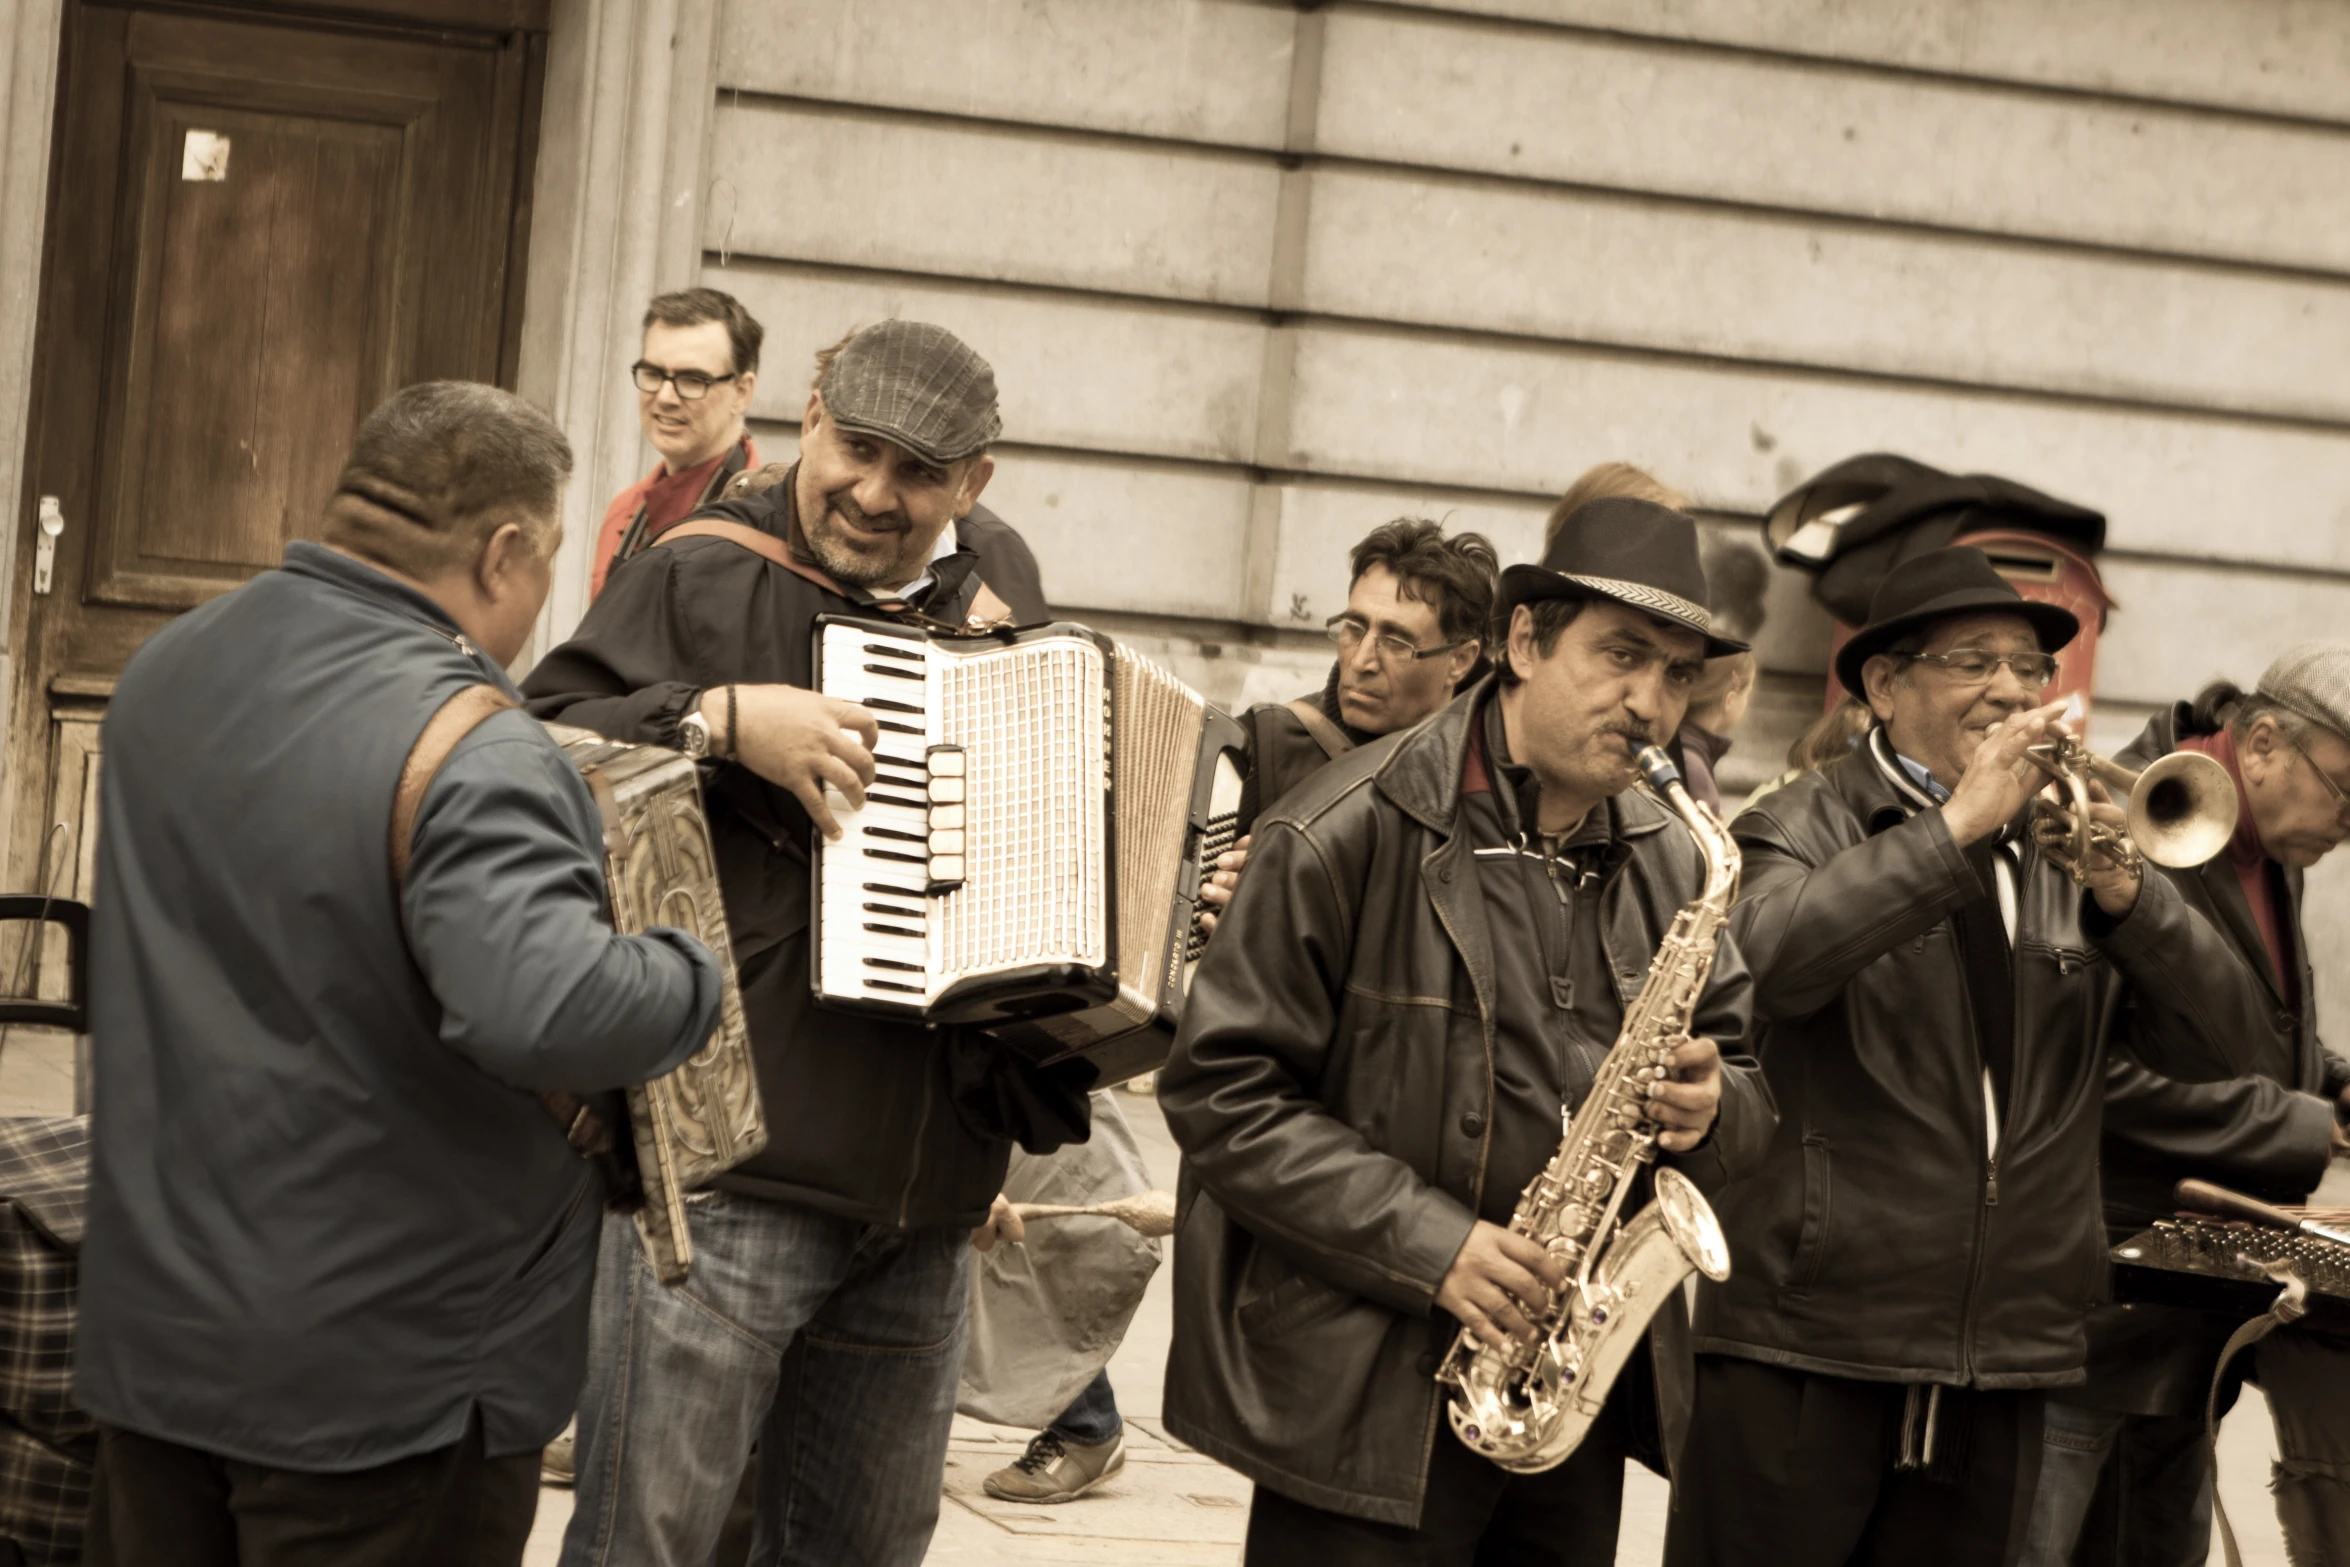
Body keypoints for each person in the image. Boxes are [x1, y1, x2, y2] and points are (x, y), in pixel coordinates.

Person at [73, 382, 725, 1567]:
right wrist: (688, 971)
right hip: (390, 1388)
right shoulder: (476, 741)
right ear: (505, 550)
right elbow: (549, 1009)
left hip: (156, 1344)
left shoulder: (166, 670)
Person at [525, 319, 1092, 1567]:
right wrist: (719, 719)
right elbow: (534, 749)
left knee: (863, 1550)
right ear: (810, 415)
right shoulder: (700, 567)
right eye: (857, 449)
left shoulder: (1000, 593)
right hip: (731, 1181)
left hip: (928, 1199)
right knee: (645, 1545)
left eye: (921, 473)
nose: (876, 495)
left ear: (974, 484)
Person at [1161, 498, 1777, 1563]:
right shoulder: (1336, 828)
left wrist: (1718, 1103)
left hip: (1561, 1401)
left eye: (1678, 674)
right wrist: (1432, 1245)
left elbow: (1750, 1075)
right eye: (1622, 655)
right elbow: (1222, 1094)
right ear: (1526, 640)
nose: (1651, 703)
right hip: (1360, 1406)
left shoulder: (1677, 854)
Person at [1665, 547, 2267, 1567]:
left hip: (2007, 1353)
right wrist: (1952, 831)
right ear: (1886, 687)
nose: (2012, 689)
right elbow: (1771, 966)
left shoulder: (2068, 848)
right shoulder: (1795, 823)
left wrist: (2131, 897)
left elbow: (2227, 1043)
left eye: (2031, 667)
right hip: (1812, 1339)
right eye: (1972, 660)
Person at [2021, 645, 2350, 1567]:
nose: (2348, 826)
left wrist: (2329, 1077)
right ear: (2263, 741)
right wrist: (2299, 1124)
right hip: (2099, 1304)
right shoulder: (2110, 826)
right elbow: (2081, 1068)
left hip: (2194, 1321)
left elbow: (2243, 1027)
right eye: (2346, 795)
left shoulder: (2275, 846)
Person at [1197, 518, 1495, 941]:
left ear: (1461, 660)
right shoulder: (1265, 742)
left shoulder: (1490, 785)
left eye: (1397, 642)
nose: (1361, 661)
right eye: (1355, 628)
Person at [588, 287, 764, 599]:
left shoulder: (766, 528)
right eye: (654, 374)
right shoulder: (622, 511)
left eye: (693, 380)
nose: (665, 397)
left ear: (742, 392)